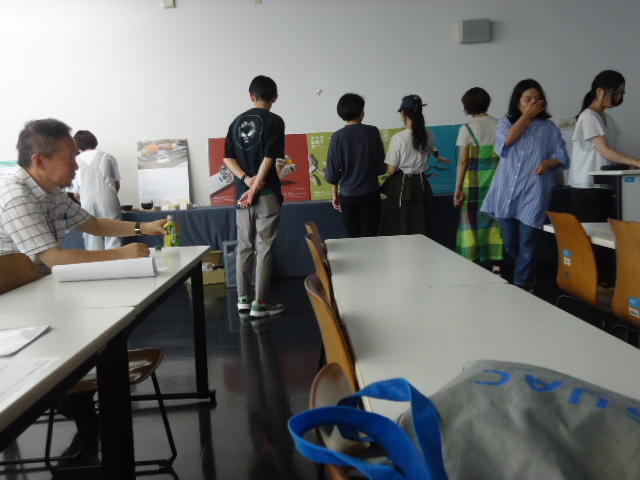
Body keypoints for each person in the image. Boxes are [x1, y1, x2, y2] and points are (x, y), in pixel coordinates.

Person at [0, 118, 167, 275]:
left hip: (39, 283)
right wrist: (120, 254)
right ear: (39, 162)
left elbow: (94, 224)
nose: (76, 166)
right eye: (70, 159)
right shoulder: (16, 198)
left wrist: (145, 227)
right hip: (16, 292)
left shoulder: (53, 192)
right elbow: (55, 259)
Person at [481, 79, 569, 291]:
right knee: (510, 243)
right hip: (506, 192)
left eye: (537, 99)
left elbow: (562, 156)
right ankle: (528, 272)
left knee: (527, 243)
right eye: (528, 99)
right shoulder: (505, 123)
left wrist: (548, 163)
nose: (533, 103)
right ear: (517, 101)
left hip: (534, 192)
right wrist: (526, 117)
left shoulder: (549, 128)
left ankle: (522, 286)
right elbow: (505, 143)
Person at [222, 75, 286, 319]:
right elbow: (270, 157)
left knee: (245, 247)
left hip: (242, 194)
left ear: (252, 96)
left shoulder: (236, 122)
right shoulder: (275, 121)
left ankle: (243, 301)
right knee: (264, 247)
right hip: (266, 193)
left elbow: (227, 157)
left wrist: (246, 180)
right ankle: (260, 304)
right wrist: (256, 186)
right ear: (275, 98)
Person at [567, 70, 640, 221]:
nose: (620, 97)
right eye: (617, 93)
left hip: (602, 187)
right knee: (596, 233)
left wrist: (632, 163)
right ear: (600, 92)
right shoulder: (588, 117)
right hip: (587, 188)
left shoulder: (607, 119)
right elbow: (605, 152)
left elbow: (615, 152)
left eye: (622, 93)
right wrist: (636, 162)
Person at [381, 95, 448, 236]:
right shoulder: (430, 135)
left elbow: (391, 170)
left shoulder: (398, 138)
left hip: (403, 187)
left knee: (402, 225)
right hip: (422, 185)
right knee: (422, 224)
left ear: (403, 113)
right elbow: (428, 156)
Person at [453, 87, 503, 268]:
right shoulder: (501, 125)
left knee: (471, 224)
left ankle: (472, 265)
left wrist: (457, 189)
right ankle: (497, 266)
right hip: (497, 184)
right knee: (495, 225)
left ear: (467, 107)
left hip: (473, 186)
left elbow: (463, 162)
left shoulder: (467, 129)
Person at [325, 93, 386, 237]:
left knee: (353, 236)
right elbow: (380, 167)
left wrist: (335, 195)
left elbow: (333, 172)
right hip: (371, 193)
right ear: (361, 113)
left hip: (348, 196)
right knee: (371, 235)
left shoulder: (337, 137)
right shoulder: (372, 132)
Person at [70, 129, 123, 250]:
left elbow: (76, 193)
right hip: (108, 198)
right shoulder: (108, 157)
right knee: (114, 230)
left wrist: (85, 198)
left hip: (86, 200)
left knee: (91, 234)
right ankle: (116, 259)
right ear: (93, 140)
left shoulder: (74, 161)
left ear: (76, 144)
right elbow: (117, 184)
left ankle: (96, 260)